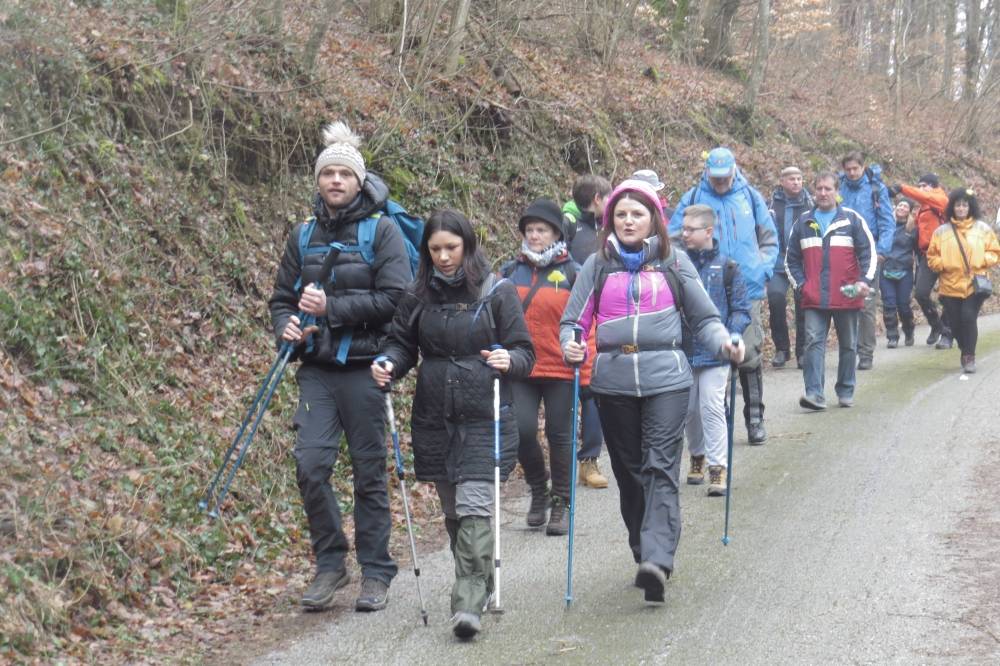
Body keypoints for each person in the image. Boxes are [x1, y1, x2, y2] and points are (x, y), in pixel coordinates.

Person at [561, 179, 744, 604]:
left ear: (654, 221)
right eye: (621, 214)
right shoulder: (597, 265)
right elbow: (573, 321)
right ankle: (644, 552)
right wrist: (570, 343)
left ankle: (659, 559)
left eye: (637, 214)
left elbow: (705, 317)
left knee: (660, 467)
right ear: (610, 221)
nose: (628, 221)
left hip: (668, 378)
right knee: (629, 474)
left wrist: (724, 343)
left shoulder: (674, 262)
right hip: (612, 380)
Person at [371, 209, 535, 639]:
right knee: (454, 514)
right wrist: (388, 363)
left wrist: (509, 359)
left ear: (468, 245)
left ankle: (466, 604)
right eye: (436, 249)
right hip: (434, 416)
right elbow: (402, 344)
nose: (444, 257)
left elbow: (524, 352)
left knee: (475, 508)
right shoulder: (417, 294)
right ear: (426, 251)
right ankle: (480, 581)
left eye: (452, 247)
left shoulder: (497, 291)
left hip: (485, 416)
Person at [269, 121, 410, 612]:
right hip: (317, 369)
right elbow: (282, 299)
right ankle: (331, 562)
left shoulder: (381, 230)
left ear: (358, 180)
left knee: (369, 471)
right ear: (318, 180)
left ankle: (376, 570)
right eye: (327, 173)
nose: (334, 181)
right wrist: (286, 324)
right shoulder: (303, 234)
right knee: (310, 465)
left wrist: (333, 308)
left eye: (343, 175)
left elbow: (398, 299)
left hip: (366, 366)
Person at [670, 147, 778, 445]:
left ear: (734, 171)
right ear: (706, 173)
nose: (720, 183)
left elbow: (769, 238)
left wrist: (762, 270)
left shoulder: (750, 197)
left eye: (725, 177)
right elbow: (673, 238)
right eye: (715, 178)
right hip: (702, 287)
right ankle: (721, 420)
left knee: (749, 350)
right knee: (711, 354)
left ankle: (754, 418)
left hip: (746, 285)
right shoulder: (692, 198)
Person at [500, 198, 586, 534]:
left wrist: (584, 360)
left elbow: (584, 320)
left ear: (556, 234)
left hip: (561, 365)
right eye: (530, 230)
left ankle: (562, 502)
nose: (535, 236)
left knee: (560, 436)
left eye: (542, 230)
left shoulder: (573, 273)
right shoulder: (509, 272)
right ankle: (539, 488)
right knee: (521, 431)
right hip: (522, 366)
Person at [786, 171, 876, 410]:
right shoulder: (803, 223)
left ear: (838, 192)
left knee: (849, 344)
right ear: (814, 191)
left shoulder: (852, 220)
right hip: (814, 297)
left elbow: (868, 253)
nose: (823, 193)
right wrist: (802, 286)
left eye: (828, 189)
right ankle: (814, 394)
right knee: (813, 342)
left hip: (847, 295)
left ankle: (846, 390)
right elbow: (791, 260)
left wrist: (864, 280)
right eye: (819, 189)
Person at [679, 205, 751, 497]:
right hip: (683, 350)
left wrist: (732, 337)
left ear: (708, 231)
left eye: (690, 230)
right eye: (683, 229)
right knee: (690, 410)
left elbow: (740, 309)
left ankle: (718, 467)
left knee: (711, 406)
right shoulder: (678, 264)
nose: (684, 235)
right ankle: (696, 454)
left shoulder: (729, 267)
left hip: (716, 351)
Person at [562, 174, 612, 489]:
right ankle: (563, 458)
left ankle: (589, 460)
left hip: (601, 318)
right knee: (567, 393)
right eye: (608, 197)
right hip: (568, 320)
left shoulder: (609, 228)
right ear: (597, 198)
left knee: (594, 392)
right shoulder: (566, 225)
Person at [926, 188, 1000, 373]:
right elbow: (932, 257)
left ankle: (969, 356)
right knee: (955, 323)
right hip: (949, 285)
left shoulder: (982, 228)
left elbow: (994, 252)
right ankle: (964, 348)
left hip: (975, 283)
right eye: (958, 205)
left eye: (964, 205)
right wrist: (944, 263)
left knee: (968, 317)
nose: (961, 208)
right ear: (952, 207)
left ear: (970, 207)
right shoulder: (941, 231)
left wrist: (982, 260)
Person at [838, 151, 894, 370]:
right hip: (841, 252)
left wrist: (881, 252)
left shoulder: (876, 189)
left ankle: (866, 352)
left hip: (869, 253)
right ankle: (848, 349)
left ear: (863, 167)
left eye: (856, 168)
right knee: (842, 301)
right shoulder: (837, 187)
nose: (852, 173)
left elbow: (887, 222)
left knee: (866, 304)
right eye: (848, 169)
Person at [892, 174, 952, 348]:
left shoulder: (940, 199)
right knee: (921, 293)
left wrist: (902, 187)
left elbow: (924, 196)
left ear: (933, 186)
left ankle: (947, 333)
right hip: (927, 256)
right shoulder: (922, 208)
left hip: (947, 254)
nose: (920, 188)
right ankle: (937, 326)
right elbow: (913, 228)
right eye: (918, 185)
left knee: (948, 295)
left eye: (923, 185)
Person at [767, 166, 813, 368]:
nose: (796, 182)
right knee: (775, 299)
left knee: (802, 304)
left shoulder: (810, 204)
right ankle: (781, 349)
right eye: (792, 179)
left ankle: (802, 351)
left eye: (799, 178)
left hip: (802, 262)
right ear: (783, 181)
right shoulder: (772, 204)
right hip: (778, 260)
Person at [881, 198, 917, 347]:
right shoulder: (886, 225)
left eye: (905, 206)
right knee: (889, 304)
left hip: (904, 272)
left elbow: (919, 250)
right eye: (900, 205)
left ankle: (908, 330)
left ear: (909, 211)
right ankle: (892, 337)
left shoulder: (913, 229)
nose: (902, 207)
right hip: (886, 270)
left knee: (903, 305)